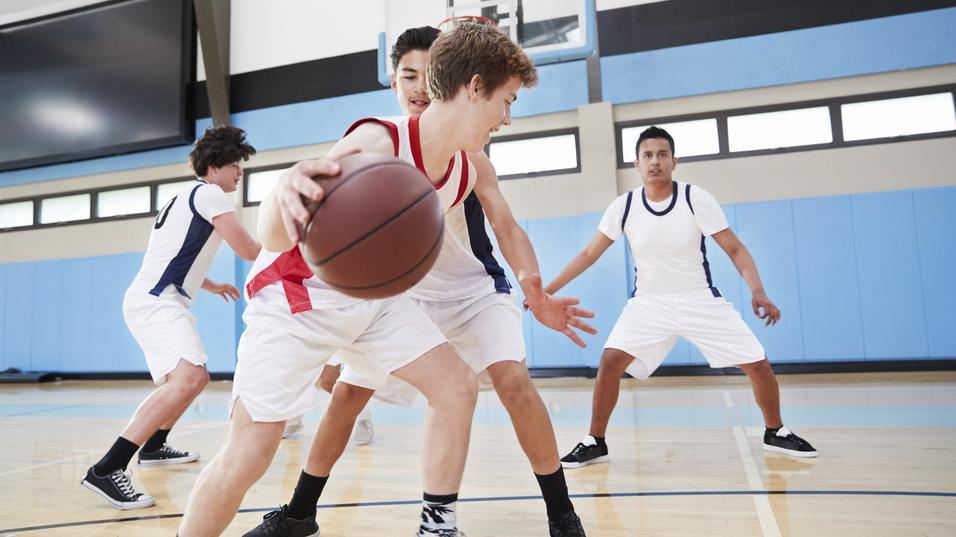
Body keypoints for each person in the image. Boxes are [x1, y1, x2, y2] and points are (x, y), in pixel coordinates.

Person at [176, 23, 578, 537]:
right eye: (507, 101)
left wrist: (532, 284)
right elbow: (274, 237)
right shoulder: (377, 141)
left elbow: (505, 226)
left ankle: (436, 528)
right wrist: (282, 190)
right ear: (475, 87)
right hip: (298, 297)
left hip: (375, 301)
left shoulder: (467, 169)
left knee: (456, 386)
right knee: (250, 453)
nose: (507, 118)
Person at [551, 126, 818, 470]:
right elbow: (589, 253)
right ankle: (595, 441)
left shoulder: (695, 199)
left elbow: (735, 248)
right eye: (648, 155)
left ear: (674, 161)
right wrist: (548, 290)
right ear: (637, 164)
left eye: (662, 155)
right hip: (649, 303)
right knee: (610, 361)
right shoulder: (624, 206)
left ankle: (775, 431)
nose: (655, 161)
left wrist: (758, 290)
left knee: (758, 364)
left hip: (699, 299)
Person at [81, 126, 262, 509]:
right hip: (156, 303)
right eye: (234, 165)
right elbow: (248, 249)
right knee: (189, 378)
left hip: (155, 300)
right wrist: (296, 256)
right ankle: (107, 469)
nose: (239, 172)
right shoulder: (211, 195)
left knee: (190, 380)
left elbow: (173, 254)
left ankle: (154, 447)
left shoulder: (184, 196)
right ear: (214, 167)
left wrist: (210, 285)